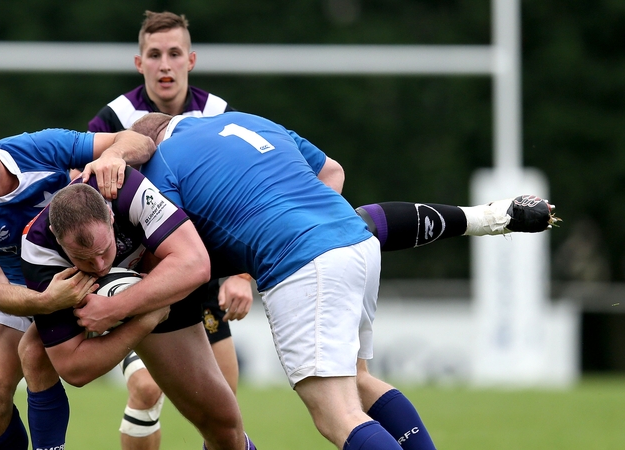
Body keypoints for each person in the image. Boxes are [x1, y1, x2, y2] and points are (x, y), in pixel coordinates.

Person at [67, 110, 555, 450]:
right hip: (355, 243)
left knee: (336, 416)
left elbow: (173, 251)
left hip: (304, 264)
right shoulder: (250, 122)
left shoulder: (158, 163)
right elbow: (333, 172)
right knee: (360, 383)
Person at [0, 98, 156, 450]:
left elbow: (139, 141)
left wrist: (113, 155)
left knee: (35, 354)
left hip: (85, 270)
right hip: (23, 291)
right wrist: (47, 301)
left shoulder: (40, 147)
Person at [87, 11, 249, 449]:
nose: (164, 64)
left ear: (190, 60)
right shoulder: (116, 118)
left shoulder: (218, 114)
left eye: (174, 54)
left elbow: (245, 202)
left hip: (202, 275)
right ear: (139, 63)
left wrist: (243, 274)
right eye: (154, 55)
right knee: (145, 387)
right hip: (142, 281)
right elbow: (83, 199)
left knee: (225, 410)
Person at [19, 167, 257, 450]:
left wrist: (116, 308)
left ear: (110, 216)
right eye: (82, 258)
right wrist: (145, 320)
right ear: (58, 240)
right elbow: (74, 369)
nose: (99, 266)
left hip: (165, 283)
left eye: (104, 250)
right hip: (149, 306)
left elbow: (196, 264)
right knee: (33, 350)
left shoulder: (124, 190)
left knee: (223, 425)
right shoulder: (37, 247)